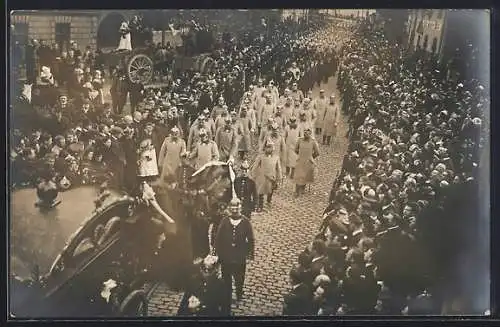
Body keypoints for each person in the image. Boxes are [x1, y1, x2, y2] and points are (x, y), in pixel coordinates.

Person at [215, 198, 255, 313]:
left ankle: (239, 292)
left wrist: (250, 253)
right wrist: (216, 253)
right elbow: (218, 237)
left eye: (237, 207)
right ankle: (227, 295)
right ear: (229, 208)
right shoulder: (225, 221)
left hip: (239, 256)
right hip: (226, 255)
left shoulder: (246, 222)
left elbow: (251, 239)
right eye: (232, 207)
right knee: (226, 277)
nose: (234, 209)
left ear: (240, 208)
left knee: (239, 277)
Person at [250, 141, 282, 212]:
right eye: (268, 147)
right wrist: (253, 175)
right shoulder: (261, 157)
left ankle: (268, 202)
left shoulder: (276, 157)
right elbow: (255, 166)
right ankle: (260, 205)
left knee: (270, 190)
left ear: (273, 149)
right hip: (262, 177)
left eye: (271, 147)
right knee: (260, 192)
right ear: (265, 148)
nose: (269, 149)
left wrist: (279, 177)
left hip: (272, 177)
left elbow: (278, 168)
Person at [294, 127, 320, 197]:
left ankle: (302, 188)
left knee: (305, 175)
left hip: (308, 161)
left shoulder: (313, 142)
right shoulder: (300, 140)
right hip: (300, 160)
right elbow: (296, 149)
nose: (305, 133)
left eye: (307, 132)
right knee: (298, 175)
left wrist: (311, 157)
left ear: (310, 133)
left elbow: (317, 152)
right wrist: (300, 155)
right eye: (304, 132)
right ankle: (296, 191)